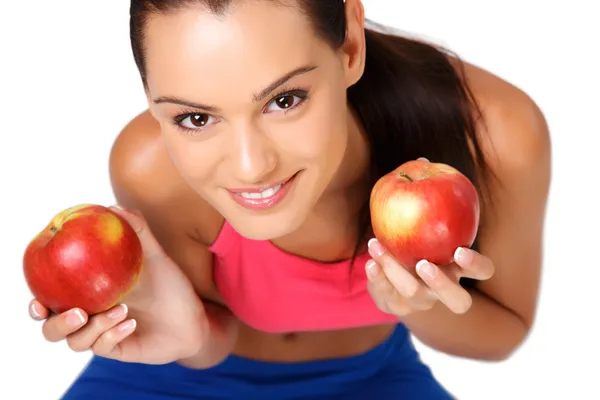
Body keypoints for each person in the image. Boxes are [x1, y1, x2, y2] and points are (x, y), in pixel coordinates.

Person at [27, 0, 551, 398]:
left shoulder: (495, 134)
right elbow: (212, 342)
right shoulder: (150, 168)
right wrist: (189, 335)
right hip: (171, 380)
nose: (250, 166)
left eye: (284, 100)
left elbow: (502, 335)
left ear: (349, 43)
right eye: (195, 118)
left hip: (373, 380)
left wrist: (416, 306)